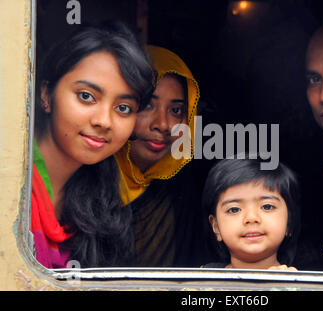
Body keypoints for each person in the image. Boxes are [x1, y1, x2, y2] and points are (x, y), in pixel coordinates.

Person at [32, 22, 155, 269]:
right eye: (86, 96)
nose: (103, 121)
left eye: (123, 108)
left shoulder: (102, 202)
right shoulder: (11, 183)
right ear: (46, 93)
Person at [114, 45, 206, 267]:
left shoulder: (180, 187)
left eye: (175, 111)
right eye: (146, 105)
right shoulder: (85, 180)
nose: (163, 125)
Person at [201, 158, 301, 270]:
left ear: (289, 222)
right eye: (234, 209)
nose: (252, 218)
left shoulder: (298, 284)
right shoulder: (199, 283)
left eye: (267, 206)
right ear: (216, 226)